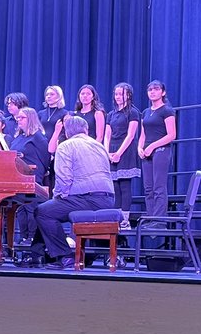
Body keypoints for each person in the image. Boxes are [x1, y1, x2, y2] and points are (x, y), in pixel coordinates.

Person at [35, 115, 115, 268]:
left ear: (67, 132)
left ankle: (65, 256)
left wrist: (57, 196)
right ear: (86, 130)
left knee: (43, 212)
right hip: (108, 199)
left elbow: (64, 178)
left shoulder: (66, 145)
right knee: (51, 208)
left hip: (86, 199)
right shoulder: (99, 146)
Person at [10, 106, 51, 262]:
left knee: (32, 208)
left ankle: (33, 242)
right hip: (16, 178)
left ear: (31, 119)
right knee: (20, 210)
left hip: (32, 177)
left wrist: (24, 156)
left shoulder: (38, 137)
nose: (18, 120)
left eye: (22, 118)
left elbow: (45, 160)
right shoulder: (19, 137)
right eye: (17, 118)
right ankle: (24, 238)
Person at [139, 80, 178, 217]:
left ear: (163, 92)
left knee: (158, 187)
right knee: (148, 188)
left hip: (161, 151)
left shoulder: (167, 110)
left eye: (156, 89)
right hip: (146, 152)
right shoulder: (145, 112)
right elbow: (143, 134)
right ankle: (150, 218)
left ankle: (159, 220)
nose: (153, 92)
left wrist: (153, 146)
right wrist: (140, 147)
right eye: (150, 90)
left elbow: (172, 135)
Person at [104, 82, 142, 219]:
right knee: (115, 187)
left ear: (128, 95)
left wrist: (119, 153)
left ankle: (125, 219)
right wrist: (107, 152)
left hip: (125, 150)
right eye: (116, 94)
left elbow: (131, 135)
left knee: (124, 185)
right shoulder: (111, 114)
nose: (118, 96)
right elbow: (107, 135)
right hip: (112, 149)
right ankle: (116, 217)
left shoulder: (133, 112)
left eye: (121, 94)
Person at [40, 85, 68, 156]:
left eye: (52, 94)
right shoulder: (40, 113)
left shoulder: (65, 113)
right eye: (47, 94)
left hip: (57, 147)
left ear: (59, 96)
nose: (48, 96)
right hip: (42, 146)